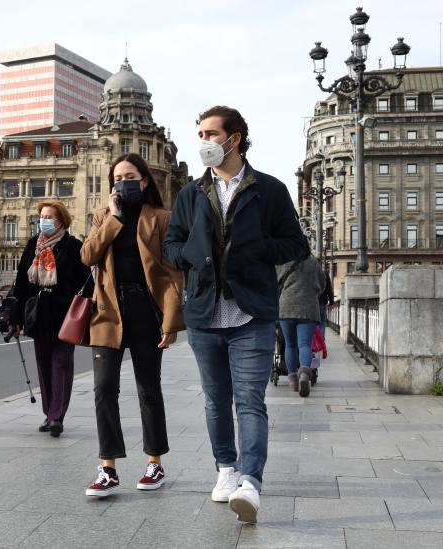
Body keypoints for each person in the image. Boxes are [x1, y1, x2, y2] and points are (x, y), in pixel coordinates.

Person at [164, 106, 308, 523]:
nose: (204, 141)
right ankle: (226, 469)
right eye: (201, 134)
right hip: (205, 313)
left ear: (235, 139)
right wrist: (191, 254)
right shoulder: (190, 193)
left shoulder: (270, 190)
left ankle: (251, 483)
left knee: (250, 401)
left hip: (252, 314)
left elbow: (295, 245)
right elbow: (171, 247)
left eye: (211, 133)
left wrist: (259, 248)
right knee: (215, 400)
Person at [80, 153, 185, 497]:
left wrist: (171, 319)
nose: (122, 182)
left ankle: (154, 462)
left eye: (129, 176)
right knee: (103, 389)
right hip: (107, 311)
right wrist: (113, 217)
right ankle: (107, 468)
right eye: (117, 177)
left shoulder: (162, 219)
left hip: (144, 309)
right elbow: (88, 256)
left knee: (147, 388)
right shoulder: (102, 216)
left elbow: (172, 276)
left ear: (143, 180)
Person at [11, 200, 89, 437]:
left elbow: (85, 281)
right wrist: (15, 317)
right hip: (38, 316)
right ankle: (49, 413)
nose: (44, 221)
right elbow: (22, 283)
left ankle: (57, 416)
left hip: (64, 316)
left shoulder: (73, 246)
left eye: (50, 217)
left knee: (61, 365)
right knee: (44, 366)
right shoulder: (34, 244)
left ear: (61, 221)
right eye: (42, 217)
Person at [278, 253, 325, 397]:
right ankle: (304, 373)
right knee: (305, 344)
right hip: (308, 307)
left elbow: (275, 282)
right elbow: (322, 285)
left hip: (286, 307)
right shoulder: (314, 262)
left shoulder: (283, 259)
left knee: (290, 344)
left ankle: (292, 380)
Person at [319, 264, 334, 331]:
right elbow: (329, 289)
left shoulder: (310, 274)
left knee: (313, 323)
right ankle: (321, 338)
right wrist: (331, 303)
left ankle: (315, 340)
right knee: (322, 321)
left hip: (312, 303)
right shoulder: (325, 274)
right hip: (322, 302)